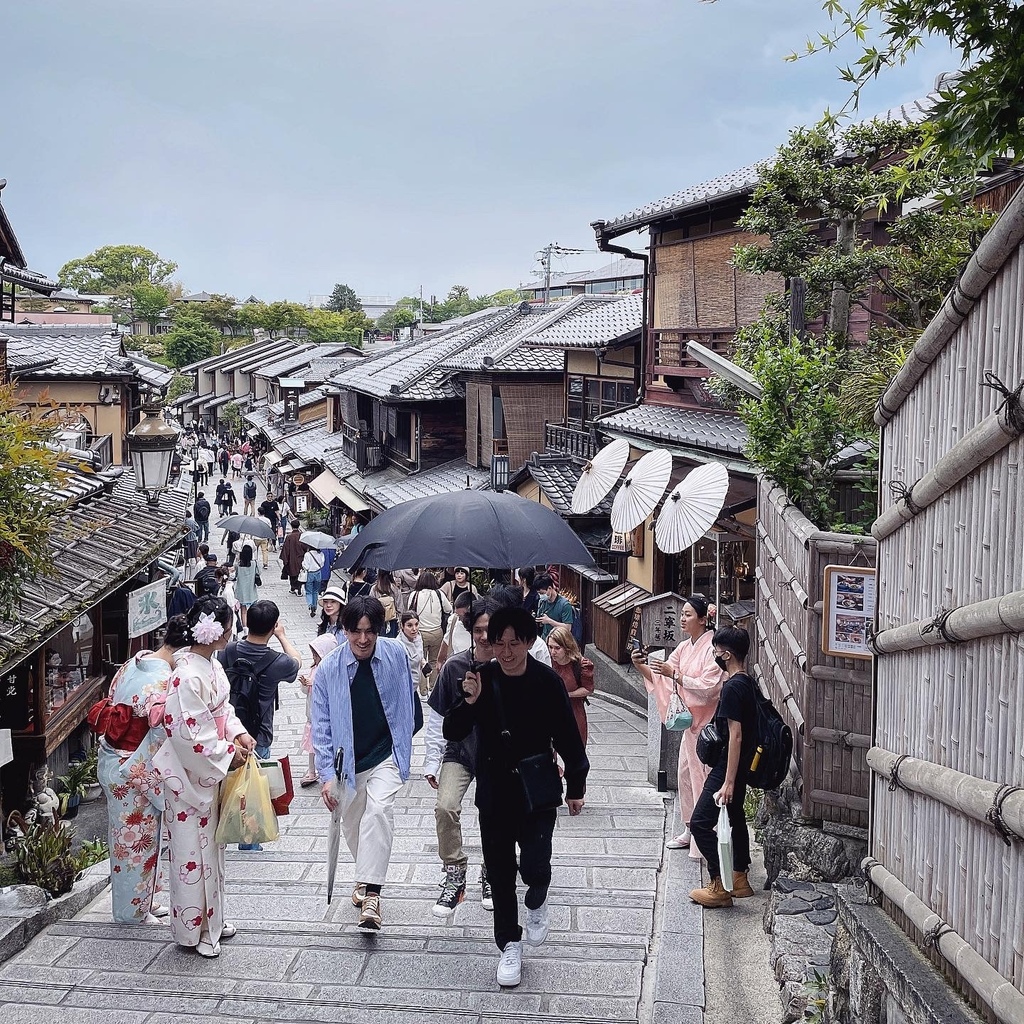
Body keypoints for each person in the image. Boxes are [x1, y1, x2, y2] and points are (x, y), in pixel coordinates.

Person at [443, 607, 589, 988]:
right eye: (498, 643)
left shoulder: (546, 681)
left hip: (537, 790)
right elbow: (453, 729)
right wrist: (469, 700)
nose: (506, 652)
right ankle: (509, 942)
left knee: (536, 863)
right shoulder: (482, 678)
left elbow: (567, 736)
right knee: (501, 872)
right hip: (495, 792)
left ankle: (538, 897)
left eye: (514, 643)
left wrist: (576, 785)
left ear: (527, 642)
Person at [152, 597, 256, 958]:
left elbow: (222, 710)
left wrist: (238, 733)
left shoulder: (209, 666)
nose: (231, 633)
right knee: (190, 853)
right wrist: (227, 754)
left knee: (213, 850)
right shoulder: (186, 675)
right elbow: (186, 733)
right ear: (213, 632)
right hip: (187, 778)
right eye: (227, 628)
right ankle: (192, 930)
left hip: (205, 773)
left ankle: (213, 918)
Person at [312, 596, 420, 932]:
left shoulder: (395, 654)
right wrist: (327, 775)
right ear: (344, 630)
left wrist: (405, 737)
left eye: (369, 631)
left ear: (379, 630)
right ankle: (364, 875)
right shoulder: (329, 669)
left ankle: (372, 894)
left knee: (378, 811)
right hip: (348, 762)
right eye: (355, 631)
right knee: (354, 824)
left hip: (385, 753)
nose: (362, 639)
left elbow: (408, 695)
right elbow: (322, 725)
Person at [94, 615, 189, 923]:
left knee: (137, 838)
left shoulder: (135, 662)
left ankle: (145, 899)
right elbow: (163, 736)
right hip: (131, 769)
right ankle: (131, 913)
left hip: (114, 760)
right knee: (133, 842)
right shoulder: (162, 684)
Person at [632, 595, 724, 853]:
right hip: (691, 728)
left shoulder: (711, 649)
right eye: (682, 615)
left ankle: (704, 836)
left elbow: (709, 688)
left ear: (704, 620)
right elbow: (663, 676)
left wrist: (677, 676)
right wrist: (640, 665)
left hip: (708, 727)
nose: (682, 619)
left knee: (701, 780)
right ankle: (688, 827)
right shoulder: (685, 647)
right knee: (684, 775)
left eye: (688, 615)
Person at [424, 600, 494, 916]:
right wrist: (431, 760)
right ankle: (455, 873)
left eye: (490, 630)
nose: (484, 636)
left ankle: (493, 870)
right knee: (445, 806)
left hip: (498, 758)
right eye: (478, 629)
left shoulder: (511, 666)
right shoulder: (455, 666)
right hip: (460, 752)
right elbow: (438, 718)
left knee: (496, 814)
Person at [688, 626, 757, 909]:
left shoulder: (731, 687)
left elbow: (736, 735)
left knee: (700, 822)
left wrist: (727, 781)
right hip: (739, 766)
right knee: (737, 816)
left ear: (726, 654)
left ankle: (720, 883)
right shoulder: (747, 682)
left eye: (716, 650)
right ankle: (740, 876)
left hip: (727, 767)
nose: (714, 654)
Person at [299, 634, 337, 787]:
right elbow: (305, 691)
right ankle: (311, 770)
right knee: (312, 746)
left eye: (317, 653)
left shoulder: (330, 670)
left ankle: (329, 770)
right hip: (311, 715)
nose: (314, 656)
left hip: (325, 715)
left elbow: (328, 689)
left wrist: (313, 684)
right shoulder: (314, 669)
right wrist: (305, 684)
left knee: (326, 744)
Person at [546, 626, 595, 746]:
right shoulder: (547, 660)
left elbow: (588, 689)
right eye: (550, 647)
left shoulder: (580, 665)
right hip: (550, 712)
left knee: (576, 752)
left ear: (567, 647)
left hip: (573, 711)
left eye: (557, 648)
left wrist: (567, 695)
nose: (553, 652)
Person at [409, 571, 452, 693]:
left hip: (419, 633)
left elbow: (409, 612)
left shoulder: (414, 595)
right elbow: (449, 609)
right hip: (436, 632)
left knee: (420, 661)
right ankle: (433, 688)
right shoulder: (439, 594)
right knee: (434, 661)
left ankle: (422, 691)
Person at [434, 591, 473, 669]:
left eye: (462, 616)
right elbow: (447, 639)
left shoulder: (480, 624)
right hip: (456, 665)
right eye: (457, 615)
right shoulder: (454, 620)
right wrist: (440, 661)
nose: (460, 619)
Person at [534, 573, 573, 641]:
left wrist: (549, 621)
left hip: (559, 640)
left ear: (550, 588)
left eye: (542, 593)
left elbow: (568, 628)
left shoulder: (564, 605)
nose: (540, 596)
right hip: (545, 638)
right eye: (539, 593)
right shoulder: (542, 602)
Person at [397, 612, 429, 690]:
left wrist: (424, 664)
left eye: (416, 624)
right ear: (402, 626)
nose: (414, 629)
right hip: (404, 689)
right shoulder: (398, 645)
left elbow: (420, 656)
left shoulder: (418, 637)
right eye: (409, 625)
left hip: (415, 686)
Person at [234, 544, 260, 630]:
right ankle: (253, 625)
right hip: (251, 590)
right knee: (253, 610)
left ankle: (245, 628)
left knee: (243, 611)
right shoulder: (254, 563)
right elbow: (259, 573)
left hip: (241, 591)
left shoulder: (238, 564)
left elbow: (235, 575)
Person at [370, 570, 399, 637]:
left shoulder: (374, 589)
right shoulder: (395, 589)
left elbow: (371, 606)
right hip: (392, 620)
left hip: (378, 620)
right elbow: (400, 607)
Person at [280, 519, 304, 596]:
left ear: (291, 526)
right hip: (301, 558)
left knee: (292, 574)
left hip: (292, 559)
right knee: (300, 575)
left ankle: (293, 588)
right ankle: (299, 589)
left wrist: (285, 560)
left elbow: (286, 549)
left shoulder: (289, 537)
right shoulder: (302, 536)